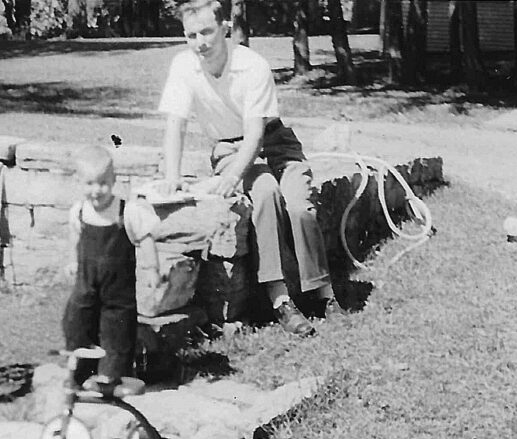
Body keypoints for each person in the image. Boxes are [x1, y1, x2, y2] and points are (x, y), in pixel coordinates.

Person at [157, 0, 339, 337]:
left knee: (299, 204)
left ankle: (322, 292)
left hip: (274, 141)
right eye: (191, 35)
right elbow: (175, 126)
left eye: (207, 32)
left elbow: (256, 134)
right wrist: (171, 176)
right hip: (227, 146)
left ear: (225, 28)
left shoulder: (252, 65)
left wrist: (231, 178)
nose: (201, 42)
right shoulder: (183, 66)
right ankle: (280, 298)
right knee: (266, 191)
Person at [62, 145, 161, 390]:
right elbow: (75, 238)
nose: (97, 190)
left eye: (103, 183)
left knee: (116, 330)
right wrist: (73, 261)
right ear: (79, 182)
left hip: (118, 288)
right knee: (77, 319)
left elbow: (146, 238)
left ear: (114, 180)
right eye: (90, 184)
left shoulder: (127, 211)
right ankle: (80, 371)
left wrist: (152, 270)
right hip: (87, 282)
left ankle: (110, 375)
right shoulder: (79, 211)